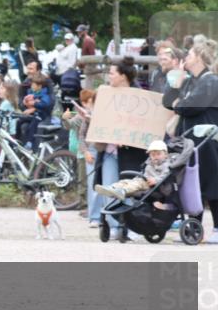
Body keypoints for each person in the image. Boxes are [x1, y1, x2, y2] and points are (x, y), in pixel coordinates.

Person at [162, 43, 218, 243]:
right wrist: (175, 85)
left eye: (191, 54)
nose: (187, 56)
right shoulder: (188, 81)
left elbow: (190, 106)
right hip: (188, 140)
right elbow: (168, 102)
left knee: (212, 183)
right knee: (191, 184)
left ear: (200, 58)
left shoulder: (210, 81)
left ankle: (217, 229)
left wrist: (180, 104)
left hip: (208, 139)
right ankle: (195, 227)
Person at [95, 57, 148, 240]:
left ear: (123, 76)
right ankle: (115, 226)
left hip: (131, 152)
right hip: (109, 151)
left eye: (111, 73)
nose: (108, 75)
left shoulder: (139, 96)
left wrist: (125, 136)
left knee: (130, 189)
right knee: (110, 190)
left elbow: (143, 124)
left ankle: (133, 226)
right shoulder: (106, 95)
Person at [95, 139, 178, 202]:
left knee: (137, 184)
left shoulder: (167, 165)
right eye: (153, 155)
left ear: (166, 155)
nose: (155, 157)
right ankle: (112, 188)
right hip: (143, 180)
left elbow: (165, 176)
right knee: (126, 181)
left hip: (154, 185)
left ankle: (123, 191)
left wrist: (156, 180)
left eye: (158, 154)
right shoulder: (149, 163)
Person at [62, 89, 99, 228]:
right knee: (84, 181)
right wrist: (65, 118)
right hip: (83, 152)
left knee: (88, 181)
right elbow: (70, 126)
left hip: (90, 151)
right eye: (89, 101)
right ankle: (86, 206)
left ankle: (89, 208)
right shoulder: (81, 116)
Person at [19, 72, 53, 150]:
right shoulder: (30, 92)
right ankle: (17, 139)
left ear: (39, 86)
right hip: (33, 113)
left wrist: (34, 103)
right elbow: (25, 103)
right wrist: (25, 102)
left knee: (32, 125)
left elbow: (45, 104)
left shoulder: (45, 94)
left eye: (33, 85)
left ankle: (30, 142)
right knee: (19, 121)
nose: (31, 86)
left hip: (41, 114)